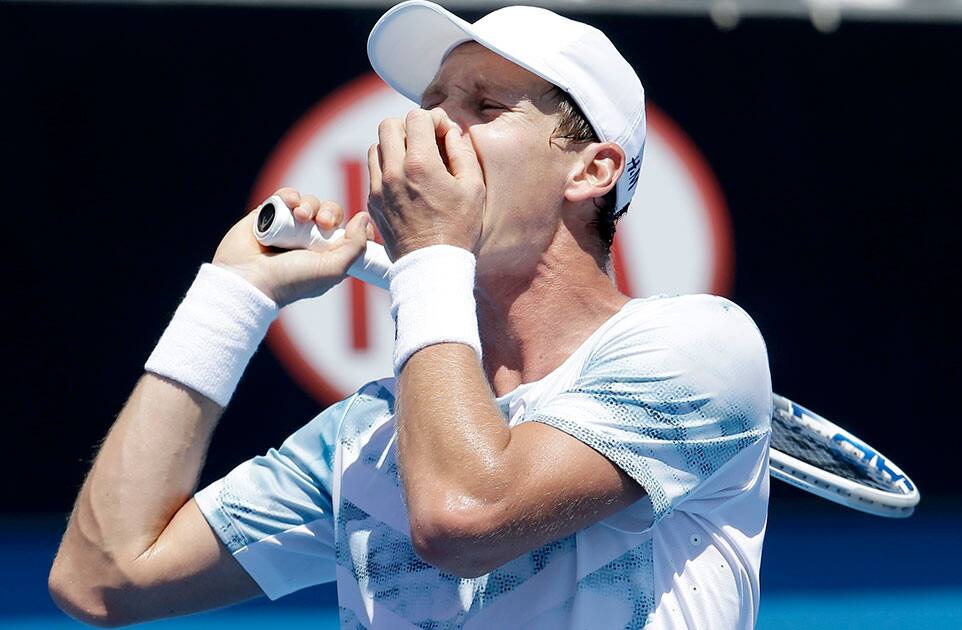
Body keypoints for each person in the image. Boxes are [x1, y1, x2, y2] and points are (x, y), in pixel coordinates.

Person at [49, 1, 772, 628]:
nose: (431, 131)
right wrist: (232, 297)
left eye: (484, 108)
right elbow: (101, 579)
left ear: (591, 171)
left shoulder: (698, 346)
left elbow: (463, 515)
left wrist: (430, 252)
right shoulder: (367, 438)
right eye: (432, 104)